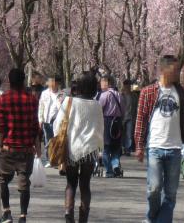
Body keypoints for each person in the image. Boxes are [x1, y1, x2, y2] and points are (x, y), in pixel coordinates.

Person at [135, 54, 184, 223]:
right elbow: (140, 120)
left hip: (175, 149)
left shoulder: (180, 92)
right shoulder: (148, 92)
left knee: (171, 193)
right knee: (153, 189)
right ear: (163, 70)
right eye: (175, 70)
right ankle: (152, 218)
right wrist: (139, 146)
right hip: (155, 147)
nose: (177, 73)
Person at [54, 72, 104, 223]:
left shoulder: (69, 102)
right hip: (89, 150)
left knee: (71, 183)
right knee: (85, 185)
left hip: (72, 149)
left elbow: (58, 125)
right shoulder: (97, 105)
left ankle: (68, 213)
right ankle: (83, 218)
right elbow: (100, 128)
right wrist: (100, 149)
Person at [0, 68, 41, 223]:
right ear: (23, 81)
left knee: (2, 180)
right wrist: (37, 147)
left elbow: (0, 126)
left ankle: (7, 212)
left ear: (9, 81)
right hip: (26, 149)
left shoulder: (3, 99)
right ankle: (23, 216)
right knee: (24, 184)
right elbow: (35, 126)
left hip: (8, 148)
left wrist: (0, 145)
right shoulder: (32, 99)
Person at [98, 75, 124, 177]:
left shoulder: (105, 95)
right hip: (117, 122)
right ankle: (115, 164)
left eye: (101, 82)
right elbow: (123, 109)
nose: (100, 85)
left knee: (105, 148)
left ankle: (109, 170)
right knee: (116, 148)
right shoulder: (119, 95)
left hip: (107, 121)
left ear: (107, 83)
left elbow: (99, 109)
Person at [38, 74, 63, 167]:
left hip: (56, 121)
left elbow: (61, 108)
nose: (51, 84)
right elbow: (41, 106)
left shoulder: (61, 94)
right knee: (47, 140)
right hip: (46, 120)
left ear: (57, 83)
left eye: (53, 82)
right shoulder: (44, 93)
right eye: (50, 82)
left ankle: (56, 159)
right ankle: (49, 159)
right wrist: (40, 119)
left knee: (56, 140)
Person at [121, 79, 137, 156]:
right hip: (122, 117)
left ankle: (128, 149)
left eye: (129, 86)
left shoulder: (134, 95)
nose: (128, 87)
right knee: (122, 134)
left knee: (129, 133)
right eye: (126, 86)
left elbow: (136, 107)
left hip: (130, 117)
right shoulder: (121, 95)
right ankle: (122, 148)